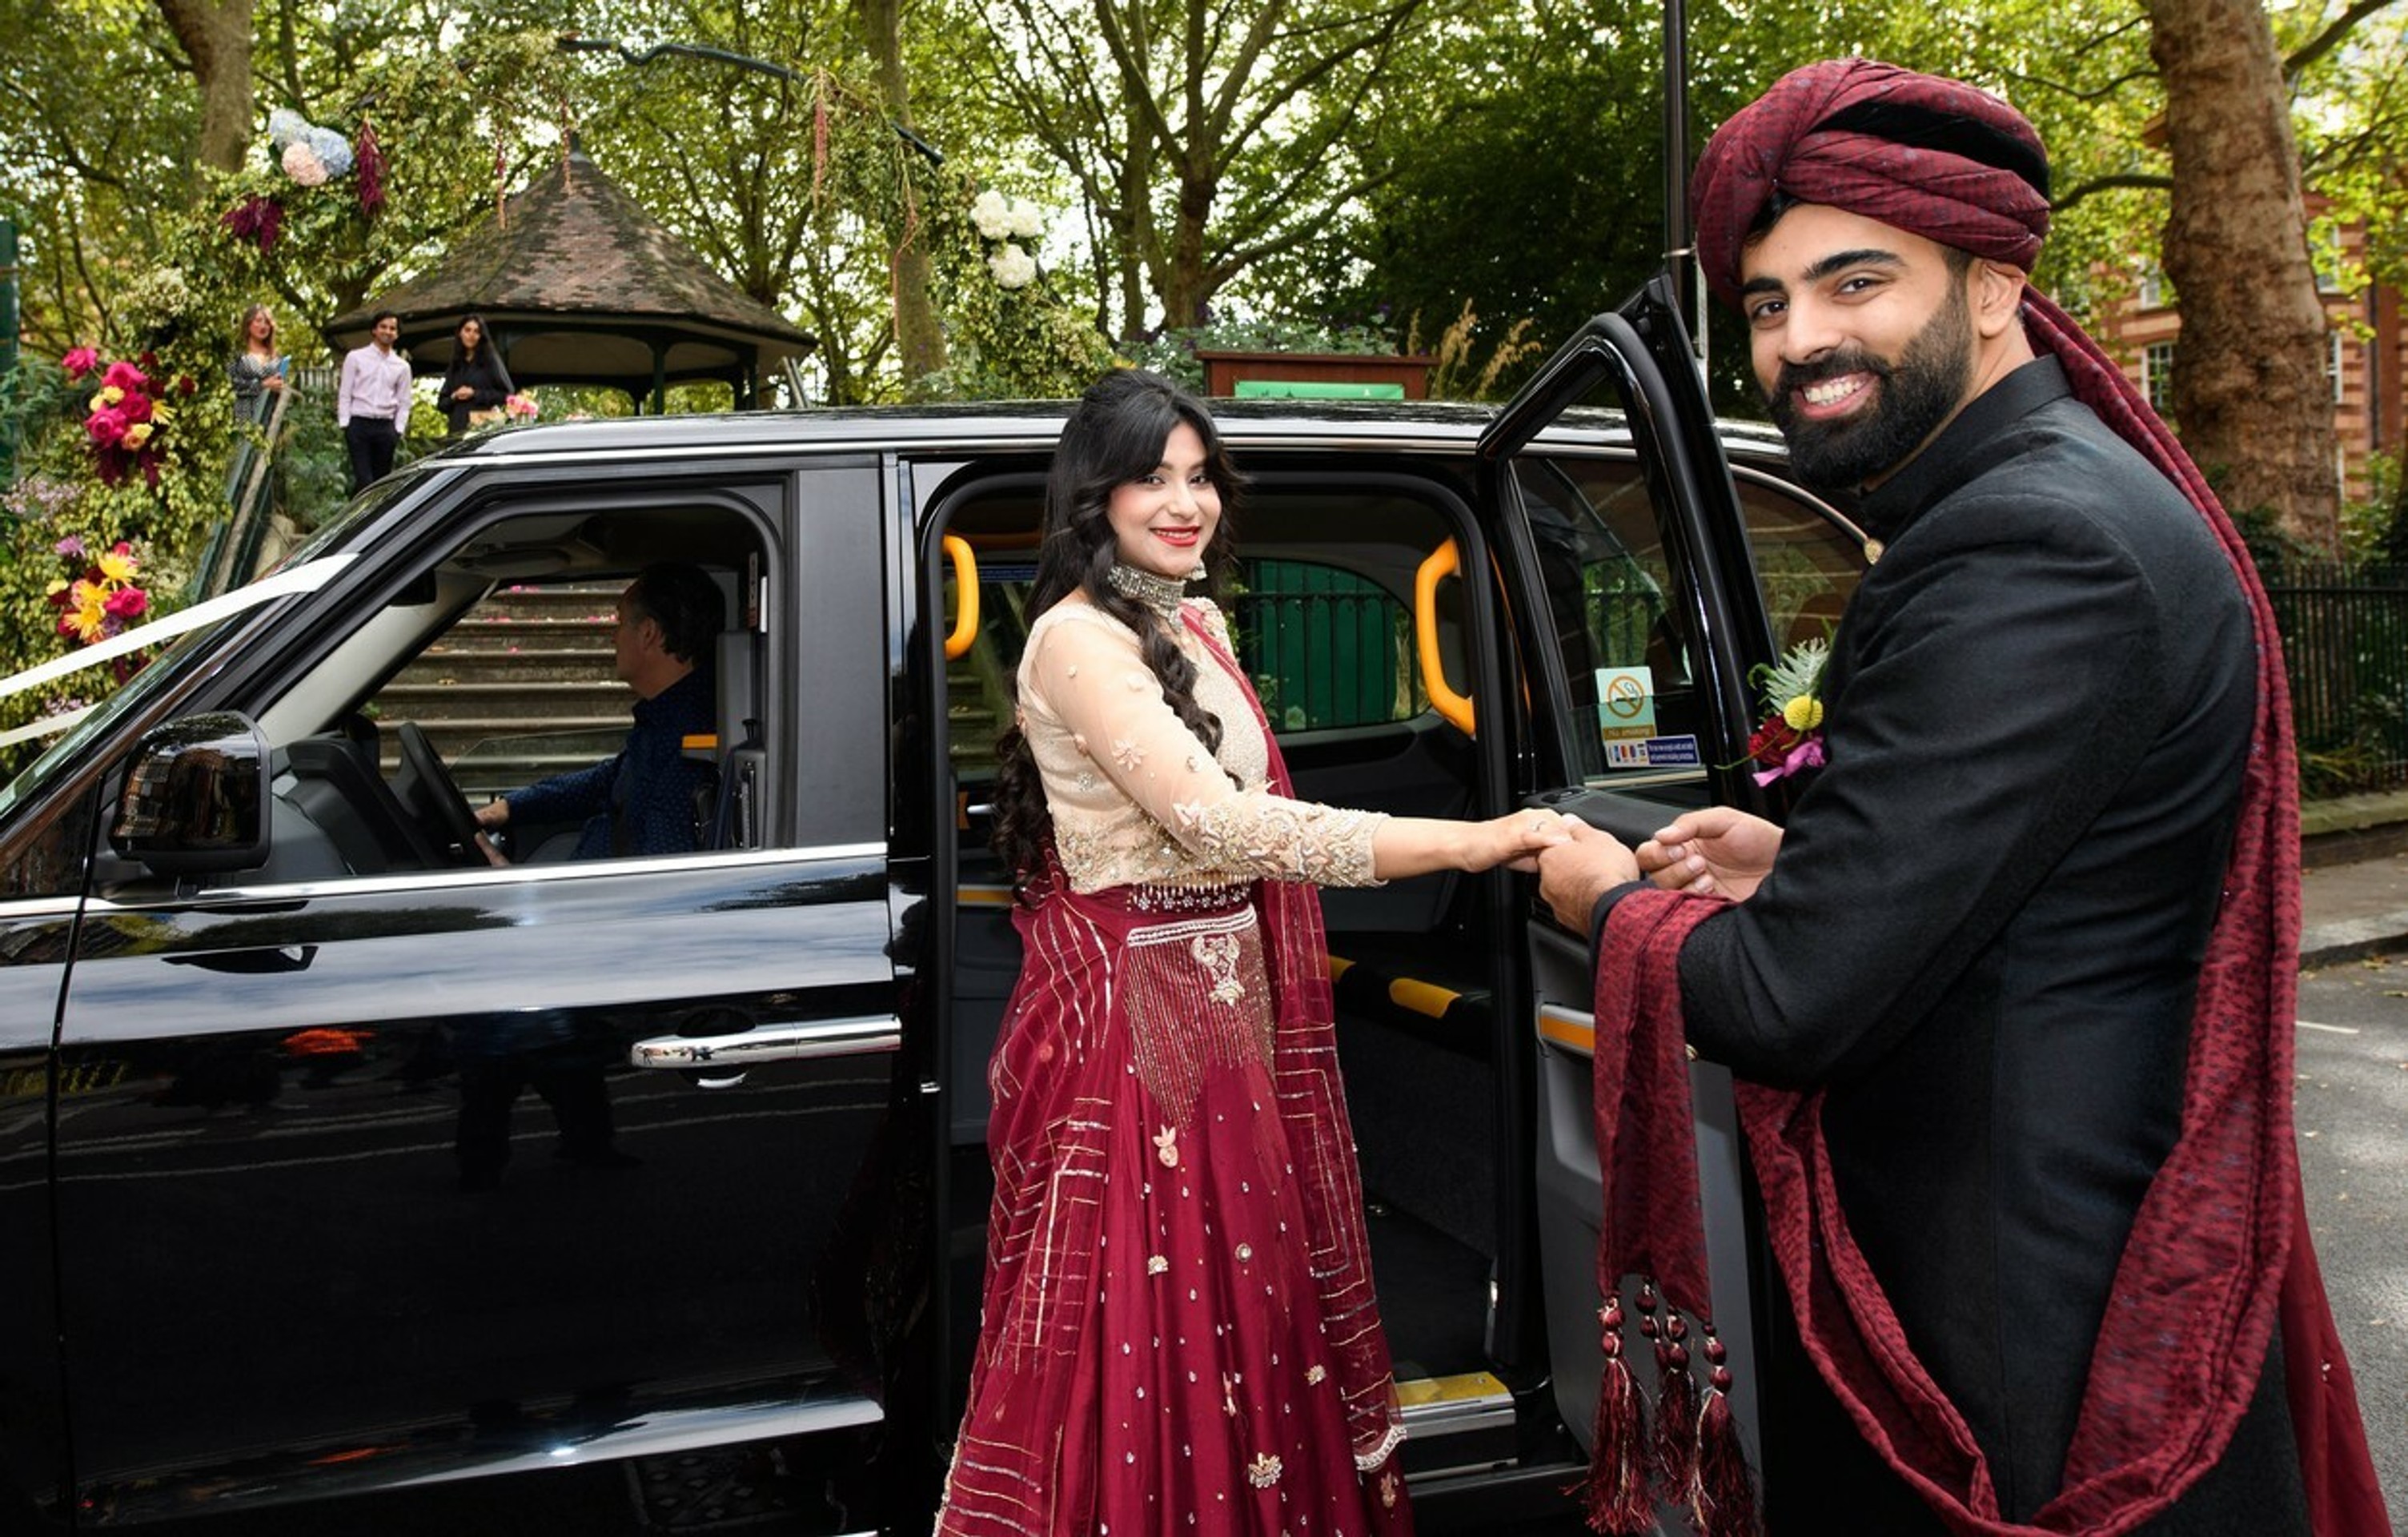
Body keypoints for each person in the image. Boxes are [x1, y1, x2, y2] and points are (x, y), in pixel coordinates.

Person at [1535, 59, 2388, 1537]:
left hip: (2021, 1336)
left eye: (1851, 283)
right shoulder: (2042, 500)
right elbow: (2024, 862)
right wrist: (1793, 847)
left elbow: (1794, 1002)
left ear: (1991, 288)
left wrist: (1597, 900)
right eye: (1765, 304)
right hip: (2039, 1268)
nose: (1802, 340)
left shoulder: (2028, 544)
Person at [934, 369, 1567, 1537]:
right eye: (1151, 478)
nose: (1187, 503)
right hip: (1135, 1043)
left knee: (1257, 1306)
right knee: (1153, 1326)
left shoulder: (1192, 619)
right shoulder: (1075, 639)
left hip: (1227, 1027)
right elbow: (1221, 821)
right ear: (1097, 496)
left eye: (1199, 476)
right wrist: (1471, 841)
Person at [473, 562, 722, 861]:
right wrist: (509, 807)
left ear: (648, 633)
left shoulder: (688, 745)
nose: (612, 638)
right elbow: (606, 782)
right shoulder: (666, 721)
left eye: (620, 622)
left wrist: (519, 892)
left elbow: (659, 883)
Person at [336, 309, 412, 492]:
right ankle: (360, 519)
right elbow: (345, 392)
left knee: (381, 483)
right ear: (374, 330)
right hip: (359, 424)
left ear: (397, 333)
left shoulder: (402, 367)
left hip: (385, 428)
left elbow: (404, 401)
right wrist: (345, 423)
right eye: (383, 327)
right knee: (365, 479)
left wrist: (398, 430)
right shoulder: (355, 357)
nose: (387, 331)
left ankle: (370, 518)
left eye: (392, 328)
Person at [438, 313, 516, 436]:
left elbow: (508, 395)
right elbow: (442, 404)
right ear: (460, 333)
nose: (471, 335)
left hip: (482, 428)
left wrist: (475, 394)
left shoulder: (490, 361)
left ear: (481, 336)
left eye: (476, 332)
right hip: (457, 430)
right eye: (467, 330)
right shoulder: (455, 364)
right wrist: (454, 396)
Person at [227, 303, 287, 426]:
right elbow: (231, 386)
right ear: (248, 324)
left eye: (267, 322)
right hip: (243, 418)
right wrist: (262, 385)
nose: (263, 326)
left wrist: (280, 387)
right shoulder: (237, 355)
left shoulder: (276, 358)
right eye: (259, 321)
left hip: (268, 420)